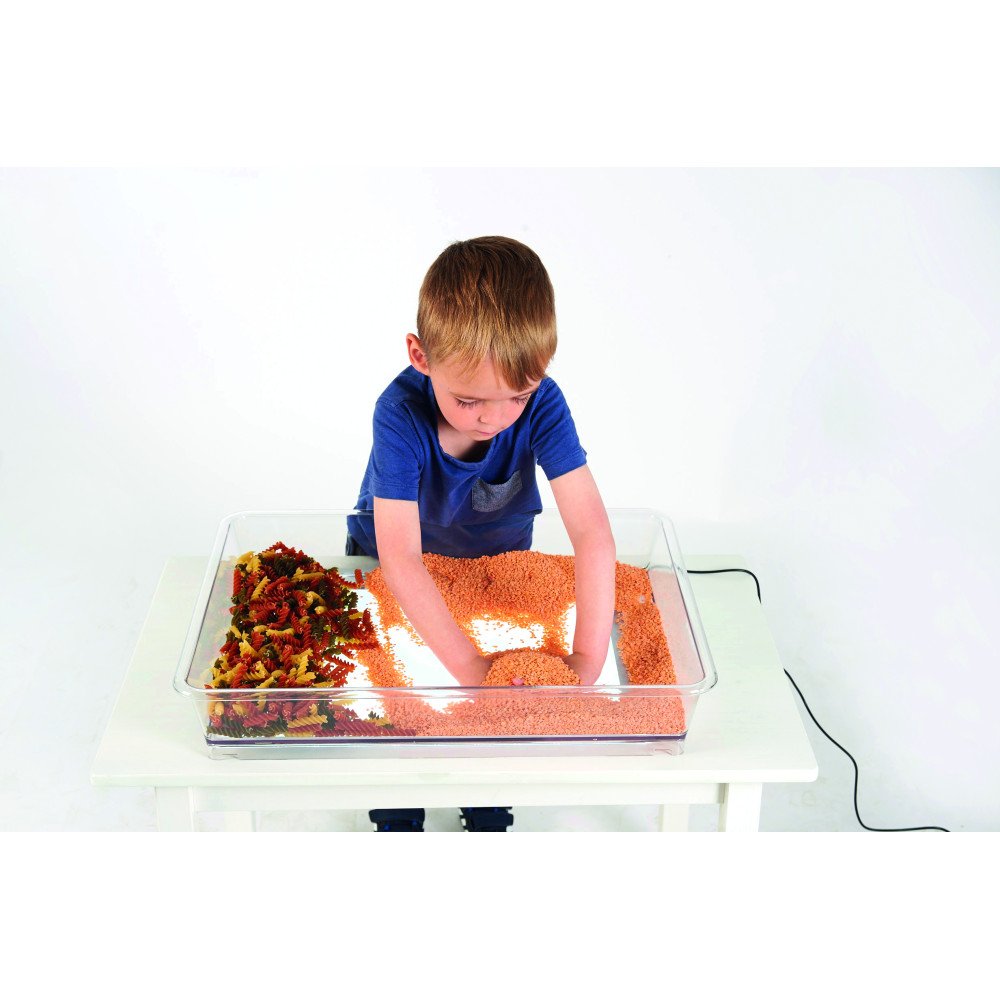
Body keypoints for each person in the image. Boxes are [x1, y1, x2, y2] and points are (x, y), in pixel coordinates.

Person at [348, 236, 616, 832]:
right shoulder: (398, 412)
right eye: (469, 400)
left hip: (495, 564)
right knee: (400, 692)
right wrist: (471, 668)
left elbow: (592, 536)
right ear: (420, 355)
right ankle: (398, 802)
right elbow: (401, 556)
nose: (494, 418)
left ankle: (487, 795)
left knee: (502, 697)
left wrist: (586, 661)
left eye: (517, 396)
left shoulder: (544, 404)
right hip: (394, 564)